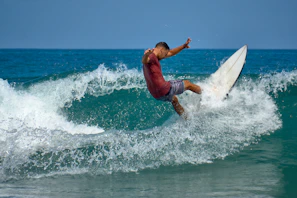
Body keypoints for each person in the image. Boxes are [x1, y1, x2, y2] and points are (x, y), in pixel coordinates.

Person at [142, 38, 202, 118]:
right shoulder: (151, 56)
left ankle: (186, 118)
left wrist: (183, 46)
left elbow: (171, 52)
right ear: (162, 50)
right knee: (187, 84)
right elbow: (144, 60)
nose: (165, 56)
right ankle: (208, 94)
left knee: (174, 99)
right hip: (163, 89)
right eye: (165, 54)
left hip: (156, 94)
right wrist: (146, 55)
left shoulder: (155, 56)